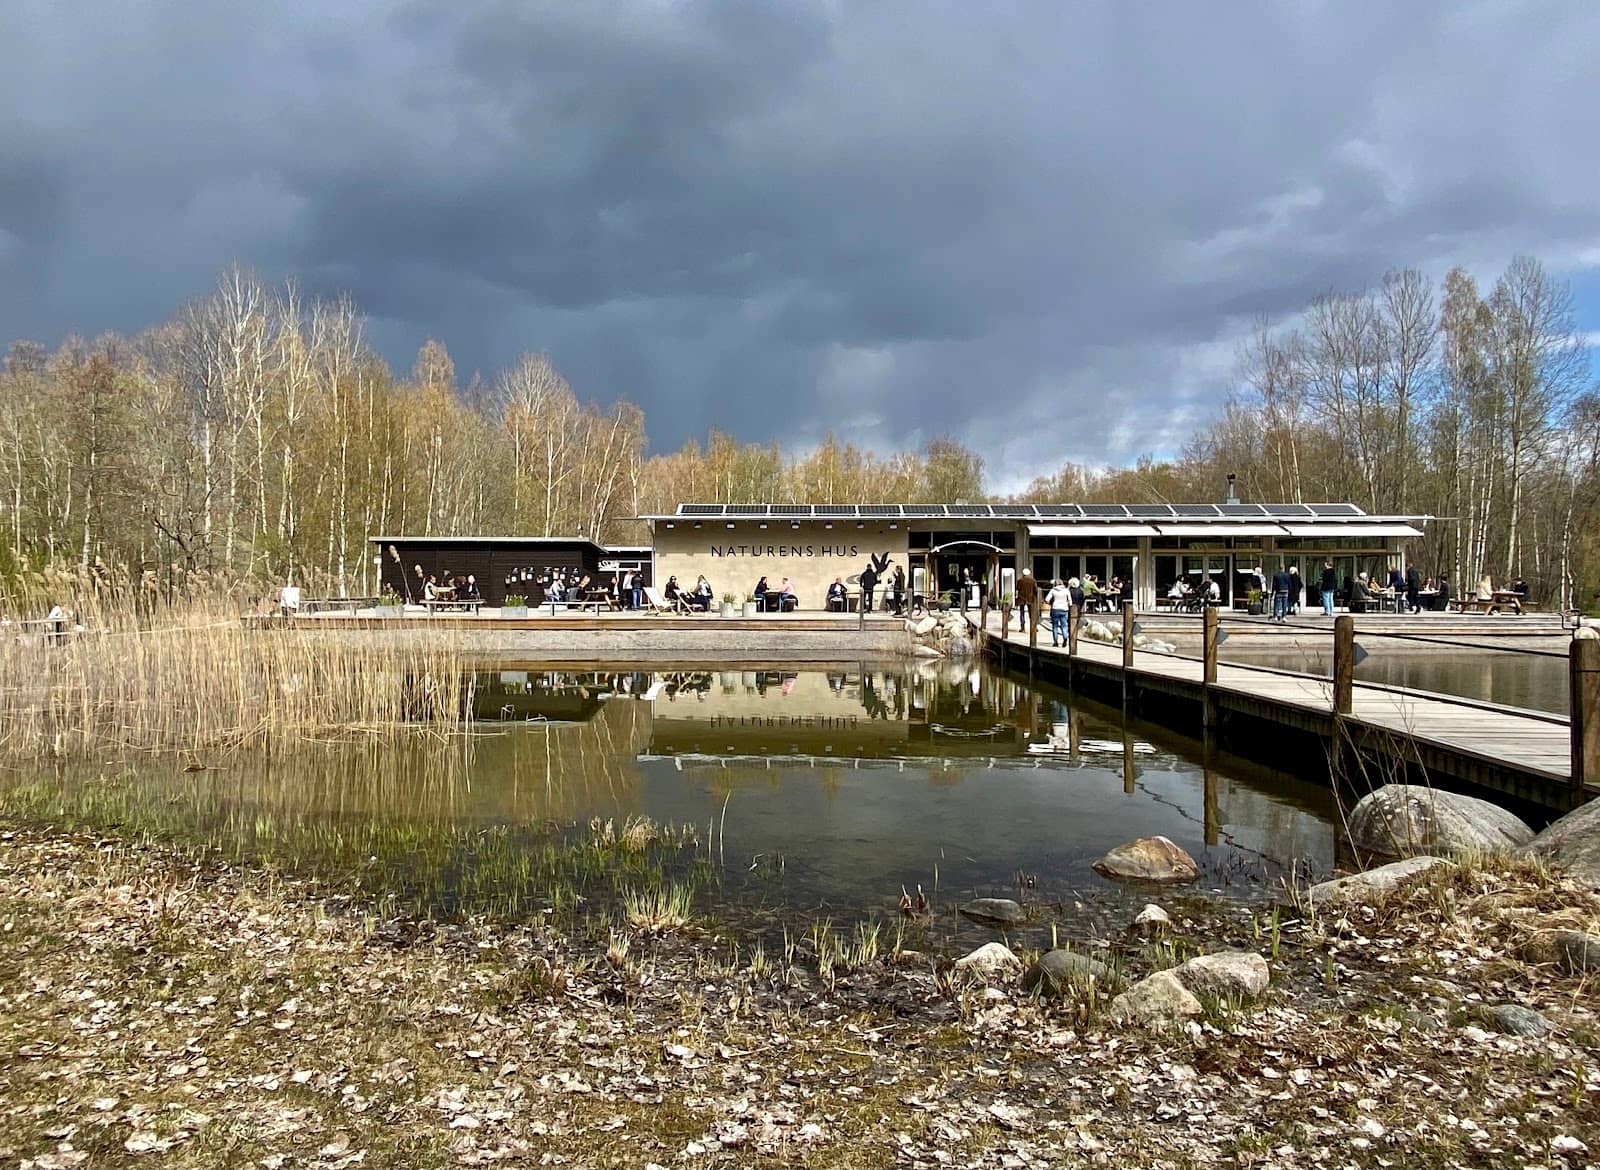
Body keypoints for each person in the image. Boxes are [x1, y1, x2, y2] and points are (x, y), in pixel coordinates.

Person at [1044, 577, 1073, 647]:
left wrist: (1051, 603)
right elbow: (1070, 602)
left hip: (1055, 609)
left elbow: (1047, 599)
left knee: (1055, 626)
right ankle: (1065, 637)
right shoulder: (1066, 590)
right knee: (1064, 625)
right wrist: (1068, 605)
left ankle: (1055, 641)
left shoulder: (1053, 590)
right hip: (1064, 609)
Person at [1014, 567, 1038, 634]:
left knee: (1022, 613)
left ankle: (1022, 627)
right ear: (1029, 573)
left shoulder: (1020, 581)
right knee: (1031, 613)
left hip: (1021, 598)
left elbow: (1017, 590)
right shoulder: (1033, 581)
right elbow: (1036, 590)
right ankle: (1034, 627)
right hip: (1030, 599)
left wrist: (1016, 599)